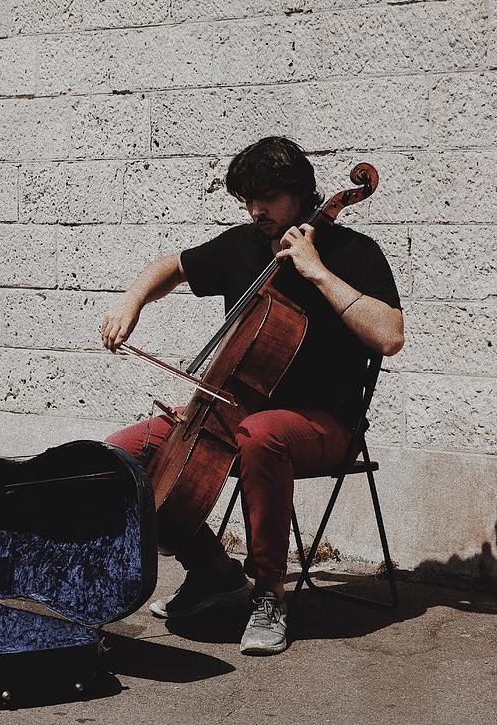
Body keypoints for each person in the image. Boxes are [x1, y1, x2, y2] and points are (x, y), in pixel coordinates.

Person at [100, 136, 404, 655]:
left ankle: (269, 592)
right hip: (234, 411)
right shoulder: (241, 246)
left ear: (303, 194)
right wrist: (133, 302)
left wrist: (315, 270)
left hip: (325, 423)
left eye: (267, 198)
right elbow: (170, 266)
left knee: (260, 435)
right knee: (121, 453)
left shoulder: (354, 254)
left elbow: (389, 336)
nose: (255, 211)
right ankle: (213, 572)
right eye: (247, 199)